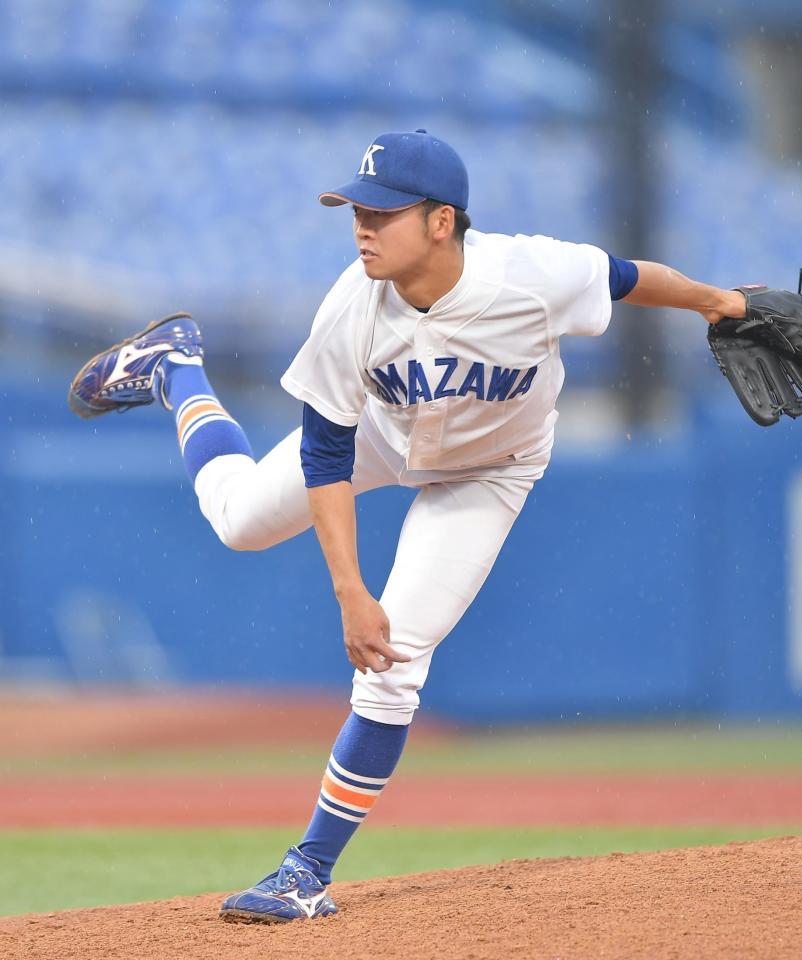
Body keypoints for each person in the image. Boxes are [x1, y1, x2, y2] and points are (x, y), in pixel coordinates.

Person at [69, 129, 746, 923]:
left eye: (381, 213)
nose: (361, 226)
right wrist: (349, 590)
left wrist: (721, 303)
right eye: (354, 209)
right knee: (237, 522)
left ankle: (304, 873)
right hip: (379, 441)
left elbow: (628, 278)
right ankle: (176, 367)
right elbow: (325, 456)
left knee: (394, 664)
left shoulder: (530, 274)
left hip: (488, 471)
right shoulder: (350, 309)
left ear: (440, 221)